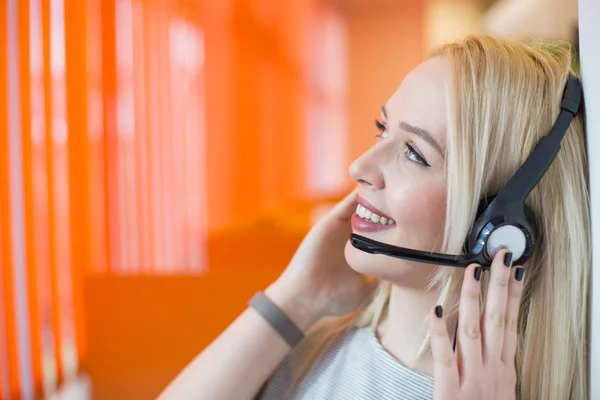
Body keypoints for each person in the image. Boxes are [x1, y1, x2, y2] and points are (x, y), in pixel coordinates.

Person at [158, 35, 590, 400]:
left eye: (415, 154)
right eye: (383, 129)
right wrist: (296, 299)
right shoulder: (311, 345)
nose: (360, 166)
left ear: (499, 228)